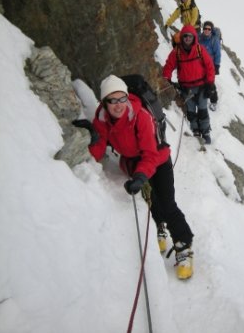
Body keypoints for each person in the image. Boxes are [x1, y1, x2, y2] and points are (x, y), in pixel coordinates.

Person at [73, 75, 194, 280]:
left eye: (122, 99)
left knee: (167, 203)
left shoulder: (141, 117)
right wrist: (93, 136)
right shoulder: (102, 119)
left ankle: (184, 245)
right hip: (132, 163)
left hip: (157, 158)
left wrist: (140, 175)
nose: (119, 105)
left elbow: (150, 153)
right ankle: (159, 226)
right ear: (104, 102)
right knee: (150, 198)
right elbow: (98, 153)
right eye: (113, 100)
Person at [163, 25, 215, 144]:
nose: (187, 38)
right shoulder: (176, 52)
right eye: (185, 36)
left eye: (190, 36)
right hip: (186, 88)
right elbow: (168, 66)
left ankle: (205, 131)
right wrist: (167, 79)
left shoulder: (199, 49)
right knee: (191, 111)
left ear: (194, 37)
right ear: (182, 38)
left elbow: (210, 66)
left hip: (201, 86)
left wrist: (210, 83)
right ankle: (195, 130)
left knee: (202, 109)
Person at [198, 21, 221, 111]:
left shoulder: (214, 40)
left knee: (210, 84)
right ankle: (201, 97)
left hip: (210, 66)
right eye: (205, 28)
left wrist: (217, 66)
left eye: (209, 29)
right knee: (200, 81)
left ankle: (214, 101)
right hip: (200, 64)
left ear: (211, 30)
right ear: (203, 29)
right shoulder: (199, 38)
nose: (207, 30)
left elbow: (217, 54)